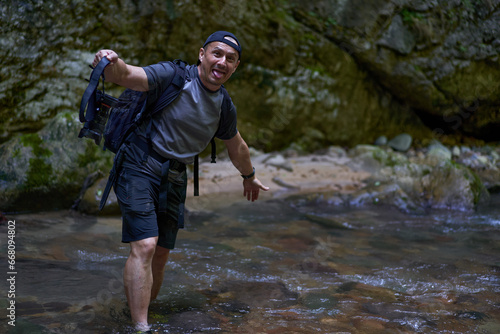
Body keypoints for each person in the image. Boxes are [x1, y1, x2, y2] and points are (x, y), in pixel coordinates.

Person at [92, 31, 269, 333]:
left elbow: (236, 145)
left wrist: (249, 177)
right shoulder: (172, 75)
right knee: (145, 246)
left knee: (160, 253)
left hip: (174, 176)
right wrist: (111, 61)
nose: (222, 62)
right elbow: (128, 76)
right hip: (138, 162)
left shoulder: (223, 106)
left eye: (230, 59)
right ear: (202, 54)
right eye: (217, 53)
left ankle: (139, 313)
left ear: (235, 66)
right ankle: (141, 327)